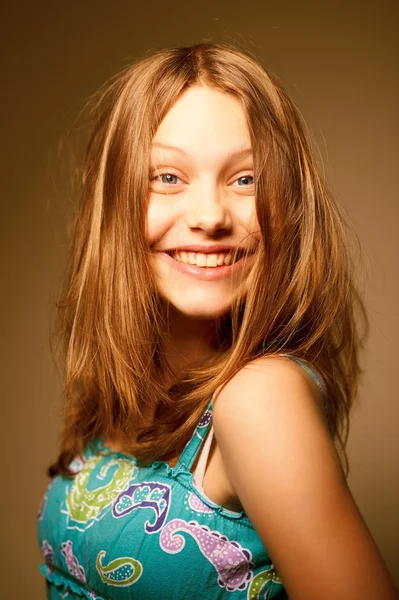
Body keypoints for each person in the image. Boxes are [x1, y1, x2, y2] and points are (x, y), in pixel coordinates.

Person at [37, 42, 398, 599]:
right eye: (168, 177)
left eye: (245, 179)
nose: (209, 217)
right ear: (115, 201)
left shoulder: (260, 398)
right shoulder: (120, 390)